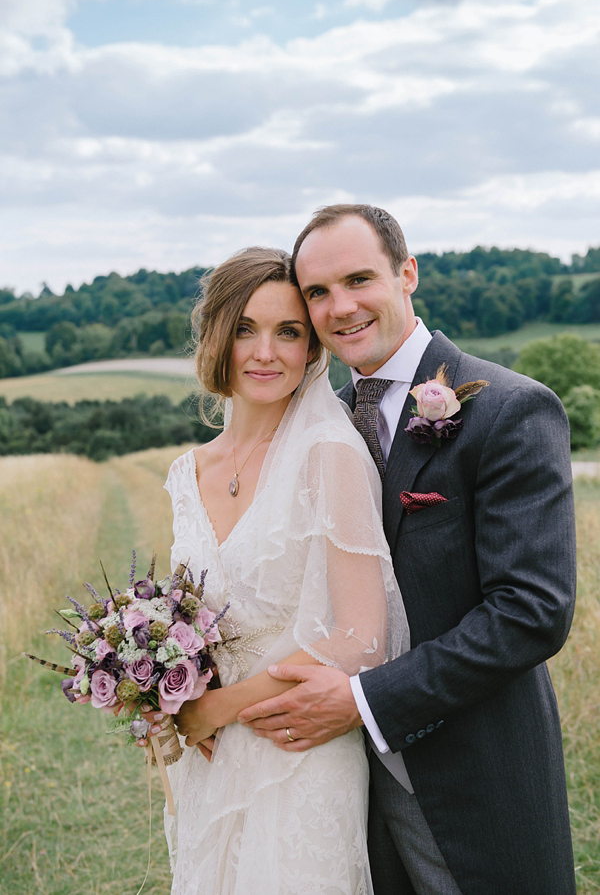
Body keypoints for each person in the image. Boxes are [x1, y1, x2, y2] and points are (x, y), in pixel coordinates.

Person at [237, 205, 577, 895]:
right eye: (319, 292)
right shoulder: (312, 425)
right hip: (339, 788)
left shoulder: (509, 410)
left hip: (472, 775)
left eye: (359, 278)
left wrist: (364, 700)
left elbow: (531, 611)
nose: (342, 306)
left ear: (407, 272)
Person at [156, 246, 409, 894]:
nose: (265, 351)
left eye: (288, 331)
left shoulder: (329, 454)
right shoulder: (189, 472)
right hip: (211, 760)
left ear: (312, 348)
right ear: (216, 336)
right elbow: (189, 624)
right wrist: (163, 695)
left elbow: (361, 636)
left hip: (299, 749)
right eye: (245, 328)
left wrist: (218, 708)